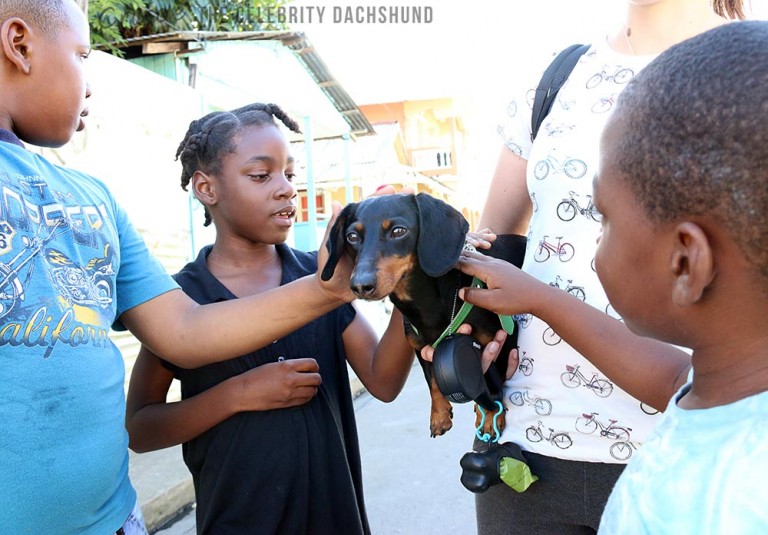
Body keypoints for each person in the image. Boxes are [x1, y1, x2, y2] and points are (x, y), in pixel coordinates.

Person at [0, 2, 363, 533]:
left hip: (114, 520)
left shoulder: (91, 197)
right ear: (19, 43)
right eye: (82, 54)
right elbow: (144, 419)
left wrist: (330, 288)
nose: (90, 85)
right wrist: (239, 394)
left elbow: (186, 330)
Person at [425, 1, 747, 533]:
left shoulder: (748, 69)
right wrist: (465, 333)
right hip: (527, 449)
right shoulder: (562, 75)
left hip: (687, 445)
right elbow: (488, 249)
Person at [125, 102, 415, 534]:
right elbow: (141, 428)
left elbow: (384, 381)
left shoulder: (320, 276)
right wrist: (237, 394)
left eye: (290, 175)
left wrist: (408, 286)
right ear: (206, 188)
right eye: (262, 176)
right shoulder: (180, 302)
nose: (285, 189)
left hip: (334, 519)